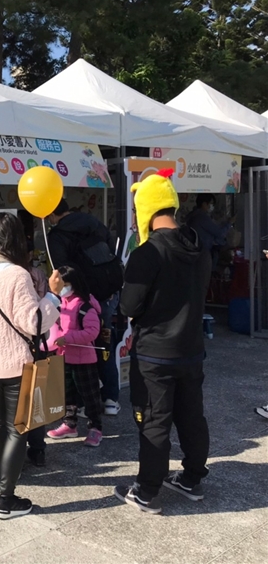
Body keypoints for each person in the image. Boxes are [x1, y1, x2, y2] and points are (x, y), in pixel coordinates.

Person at [114, 170, 212, 515]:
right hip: (191, 348)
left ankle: (147, 491)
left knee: (154, 421)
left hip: (155, 354)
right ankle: (193, 477)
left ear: (146, 208)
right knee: (191, 416)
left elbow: (129, 306)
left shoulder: (148, 252)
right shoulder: (199, 247)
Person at [0, 212, 63, 520]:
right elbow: (34, 323)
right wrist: (53, 296)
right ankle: (4, 500)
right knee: (18, 429)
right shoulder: (18, 275)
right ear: (16, 240)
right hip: (14, 362)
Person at [47, 199, 121, 416]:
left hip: (80, 298)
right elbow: (111, 247)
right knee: (104, 343)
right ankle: (110, 398)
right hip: (107, 293)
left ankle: (81, 402)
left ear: (51, 214)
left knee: (79, 347)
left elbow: (62, 270)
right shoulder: (92, 221)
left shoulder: (57, 235)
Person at [45, 266, 104, 447]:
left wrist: (67, 338)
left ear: (74, 284)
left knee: (90, 395)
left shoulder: (85, 305)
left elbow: (92, 332)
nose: (61, 289)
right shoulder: (61, 303)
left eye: (64, 285)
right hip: (65, 356)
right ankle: (69, 424)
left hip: (84, 358)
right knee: (67, 394)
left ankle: (96, 427)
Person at [26, 240, 49, 467]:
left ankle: (20, 450)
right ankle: (38, 449)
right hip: (37, 341)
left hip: (18, 343)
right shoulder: (37, 274)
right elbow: (43, 304)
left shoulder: (8, 275)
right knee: (36, 398)